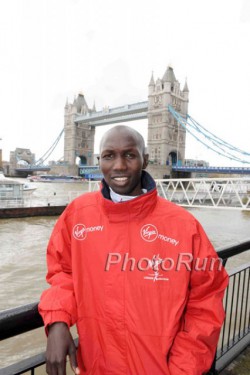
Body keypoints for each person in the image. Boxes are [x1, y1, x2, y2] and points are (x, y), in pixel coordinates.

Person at [39, 125, 228, 375]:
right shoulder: (77, 215)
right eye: (109, 156)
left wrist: (184, 369)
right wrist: (57, 321)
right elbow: (62, 274)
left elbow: (205, 302)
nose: (118, 166)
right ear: (98, 161)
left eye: (129, 155)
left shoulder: (184, 226)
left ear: (145, 160)